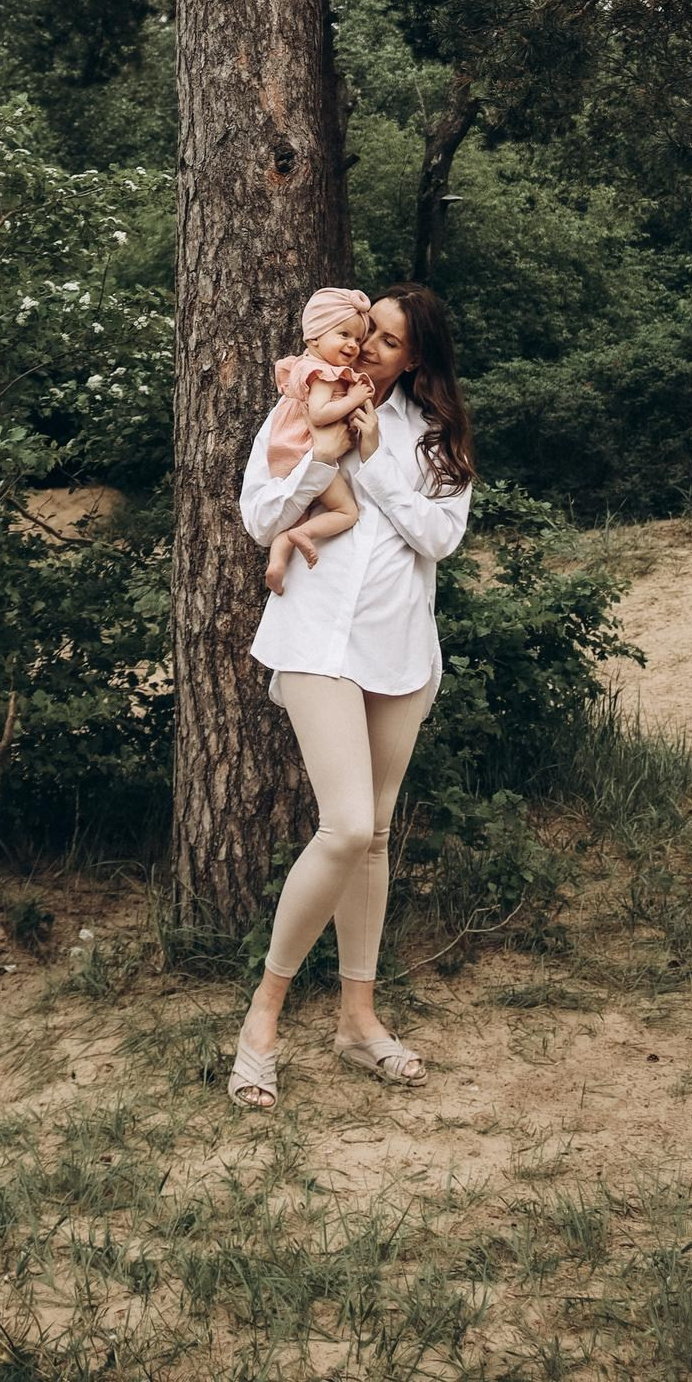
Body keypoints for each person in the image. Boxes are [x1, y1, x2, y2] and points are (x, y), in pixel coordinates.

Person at [229, 282, 475, 1108]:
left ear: (417, 358)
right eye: (369, 330)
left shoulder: (434, 433)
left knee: (375, 838)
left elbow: (441, 537)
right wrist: (325, 457)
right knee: (346, 827)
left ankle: (357, 1022)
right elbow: (260, 518)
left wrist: (374, 467)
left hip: (402, 647)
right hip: (316, 639)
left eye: (392, 341)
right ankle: (263, 1016)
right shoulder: (309, 395)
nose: (370, 347)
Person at [262, 286, 374, 594]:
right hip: (304, 452)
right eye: (343, 335)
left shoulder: (307, 365)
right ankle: (305, 534)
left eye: (358, 339)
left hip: (292, 453)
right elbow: (321, 414)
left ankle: (277, 562)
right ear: (314, 337)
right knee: (347, 512)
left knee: (300, 514)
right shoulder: (321, 373)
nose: (353, 345)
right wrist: (354, 398)